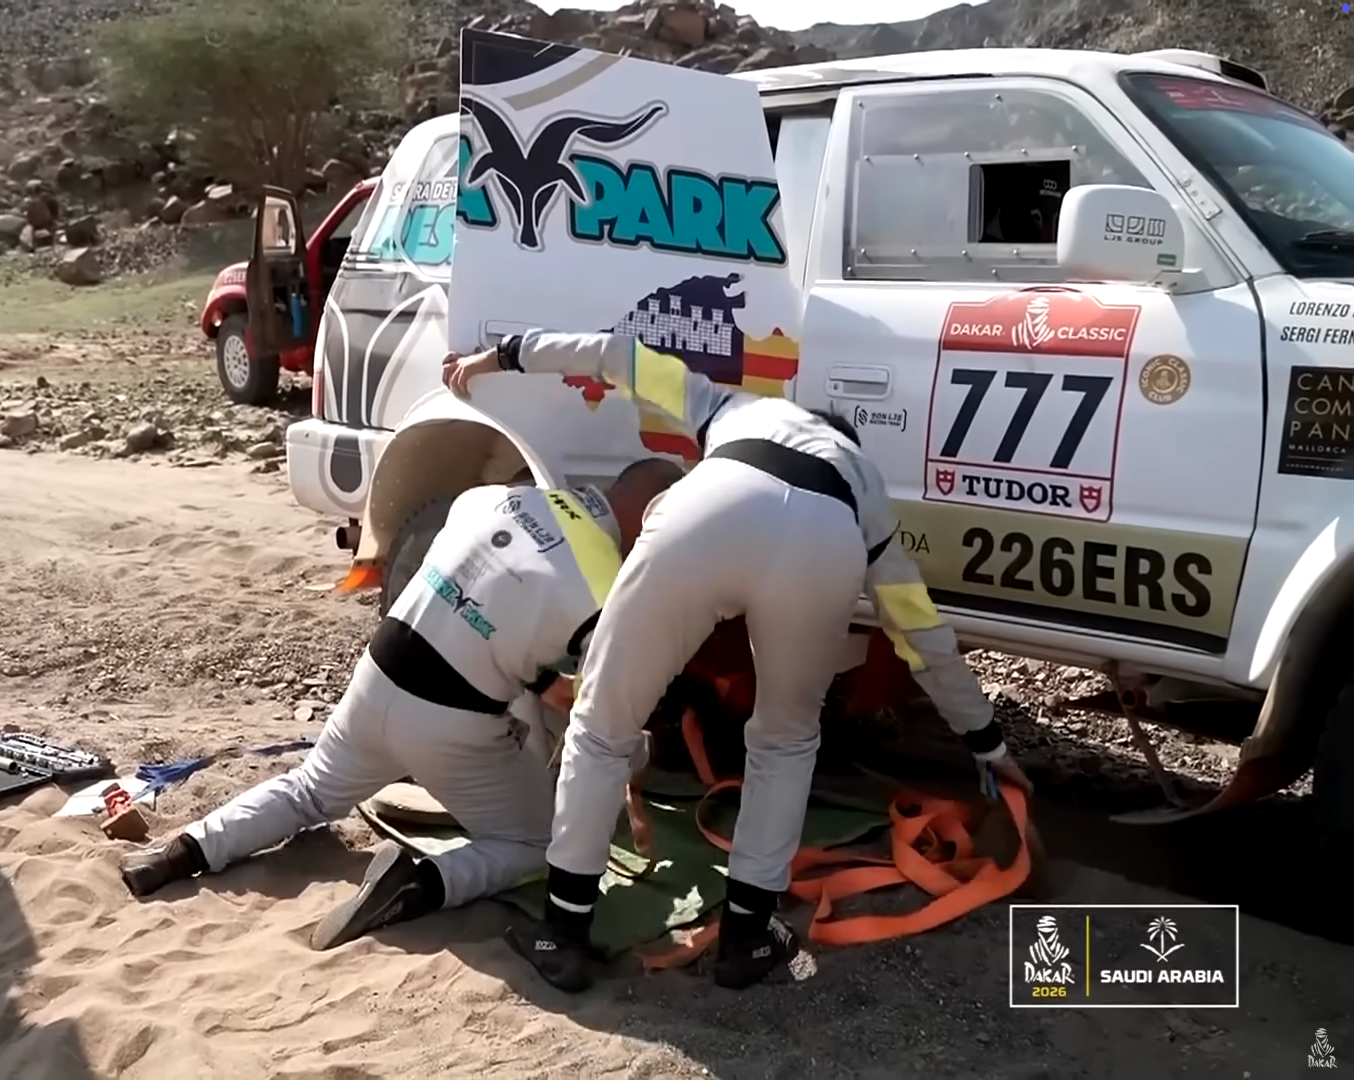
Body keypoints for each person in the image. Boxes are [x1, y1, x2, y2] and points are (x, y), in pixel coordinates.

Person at [443, 330, 1033, 992]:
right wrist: (987, 745)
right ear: (847, 447)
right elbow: (923, 636)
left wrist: (497, 357)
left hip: (714, 508)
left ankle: (564, 931)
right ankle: (748, 939)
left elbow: (616, 355)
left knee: (603, 722)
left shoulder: (732, 408)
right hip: (826, 543)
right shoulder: (866, 495)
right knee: (785, 741)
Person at [119, 462, 685, 950]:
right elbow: (608, 714)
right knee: (537, 844)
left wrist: (538, 680)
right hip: (450, 724)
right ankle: (421, 884)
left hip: (377, 677)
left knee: (309, 791)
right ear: (651, 525)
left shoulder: (501, 499)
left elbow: (491, 602)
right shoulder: (605, 588)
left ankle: (180, 852)